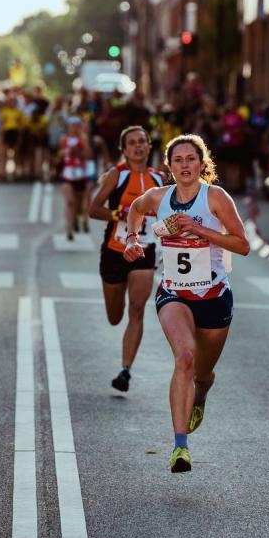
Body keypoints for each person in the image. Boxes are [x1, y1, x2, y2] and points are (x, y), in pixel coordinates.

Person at [123, 134, 250, 473]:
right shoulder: (159, 197)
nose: (184, 165)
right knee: (185, 358)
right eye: (177, 160)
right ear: (170, 166)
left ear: (201, 163)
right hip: (174, 293)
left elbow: (243, 245)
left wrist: (201, 230)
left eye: (190, 159)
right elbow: (135, 210)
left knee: (203, 373)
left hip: (213, 296)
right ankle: (180, 447)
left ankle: (203, 392)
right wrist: (132, 239)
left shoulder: (216, 198)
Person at [88, 126, 165, 393]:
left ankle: (125, 370)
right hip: (115, 250)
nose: (138, 146)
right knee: (114, 316)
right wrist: (117, 215)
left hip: (144, 251)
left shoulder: (159, 178)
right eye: (132, 143)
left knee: (137, 308)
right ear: (124, 150)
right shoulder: (116, 176)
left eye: (142, 141)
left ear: (149, 146)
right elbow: (93, 209)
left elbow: (168, 212)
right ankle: (115, 315)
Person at [57, 117, 93, 240]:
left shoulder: (83, 139)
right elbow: (59, 157)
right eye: (71, 125)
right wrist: (63, 154)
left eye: (76, 125)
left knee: (80, 203)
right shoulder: (64, 139)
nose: (73, 128)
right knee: (69, 202)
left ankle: (80, 219)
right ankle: (69, 229)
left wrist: (78, 151)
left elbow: (88, 155)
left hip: (80, 175)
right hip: (67, 175)